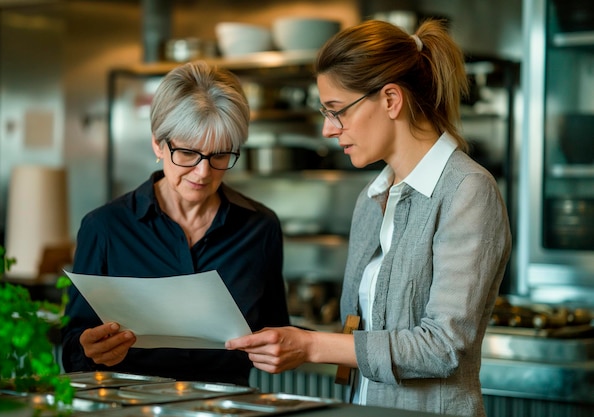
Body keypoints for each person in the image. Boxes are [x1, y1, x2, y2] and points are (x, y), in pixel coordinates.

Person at [225, 19, 512, 417]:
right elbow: (359, 332)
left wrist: (311, 345)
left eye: (337, 111)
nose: (328, 129)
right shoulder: (372, 198)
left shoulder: (467, 190)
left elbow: (443, 347)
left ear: (391, 100)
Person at [61, 61, 290, 386]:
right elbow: (72, 348)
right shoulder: (105, 228)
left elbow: (276, 331)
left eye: (220, 155)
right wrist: (89, 349)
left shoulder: (260, 228)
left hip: (226, 407)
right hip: (131, 406)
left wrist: (280, 348)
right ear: (158, 143)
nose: (203, 172)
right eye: (187, 153)